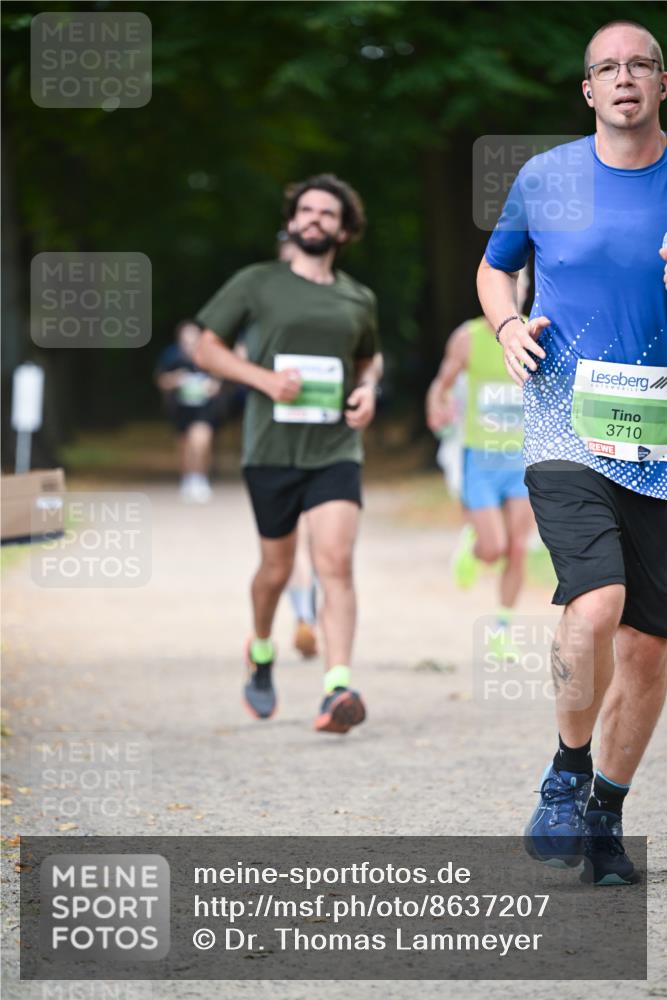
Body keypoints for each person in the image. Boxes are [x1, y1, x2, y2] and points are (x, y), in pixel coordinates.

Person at [477, 19, 667, 885]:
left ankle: (604, 819)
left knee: (648, 651)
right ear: (587, 91)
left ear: (662, 83)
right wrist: (508, 322)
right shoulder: (544, 177)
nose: (624, 77)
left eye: (641, 64)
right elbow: (493, 267)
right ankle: (565, 767)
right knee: (595, 603)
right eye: (607, 68)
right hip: (565, 423)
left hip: (661, 439)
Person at [193, 174, 382, 734]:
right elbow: (206, 347)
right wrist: (262, 379)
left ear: (344, 229)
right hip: (272, 450)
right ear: (292, 220)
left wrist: (368, 392)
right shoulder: (258, 283)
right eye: (306, 211)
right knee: (276, 569)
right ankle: (260, 648)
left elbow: (368, 360)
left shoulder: (358, 297)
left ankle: (337, 687)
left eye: (328, 213)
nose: (315, 219)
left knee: (335, 563)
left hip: (335, 449)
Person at [426, 268, 535, 660]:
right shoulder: (468, 338)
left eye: (519, 284)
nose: (513, 290)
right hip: (480, 458)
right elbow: (440, 385)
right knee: (495, 549)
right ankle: (475, 547)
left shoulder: (537, 332)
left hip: (521, 459)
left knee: (519, 547)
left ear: (525, 290)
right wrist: (436, 410)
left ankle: (502, 629)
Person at [154, 320, 225, 503]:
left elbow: (220, 377)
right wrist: (175, 380)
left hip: (204, 409)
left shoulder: (208, 356)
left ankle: (201, 478)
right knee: (185, 446)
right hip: (180, 410)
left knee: (201, 441)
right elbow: (161, 380)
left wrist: (213, 386)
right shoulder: (171, 356)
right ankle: (188, 479)